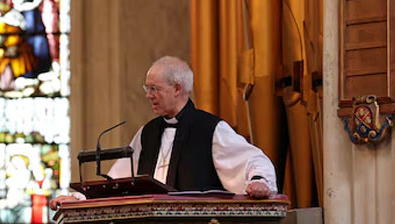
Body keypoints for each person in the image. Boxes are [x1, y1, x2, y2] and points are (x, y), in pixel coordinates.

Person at [49, 56, 277, 210]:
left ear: (178, 88)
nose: (148, 95)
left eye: (154, 89)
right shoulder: (147, 133)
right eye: (147, 88)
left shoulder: (210, 129)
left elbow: (253, 160)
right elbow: (117, 183)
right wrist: (79, 199)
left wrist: (259, 181)